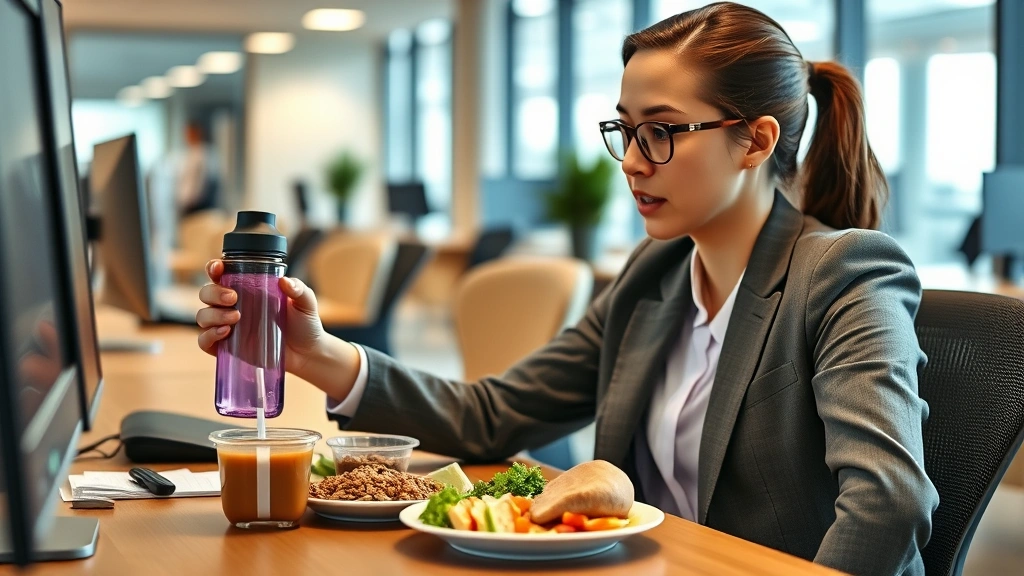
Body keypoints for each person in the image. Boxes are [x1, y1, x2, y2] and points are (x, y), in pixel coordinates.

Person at [196, 3, 938, 574]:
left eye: (664, 131)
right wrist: (316, 353)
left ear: (757, 140)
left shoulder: (842, 273)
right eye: (625, 131)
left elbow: (888, 502)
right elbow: (495, 414)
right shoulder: (654, 280)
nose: (634, 163)